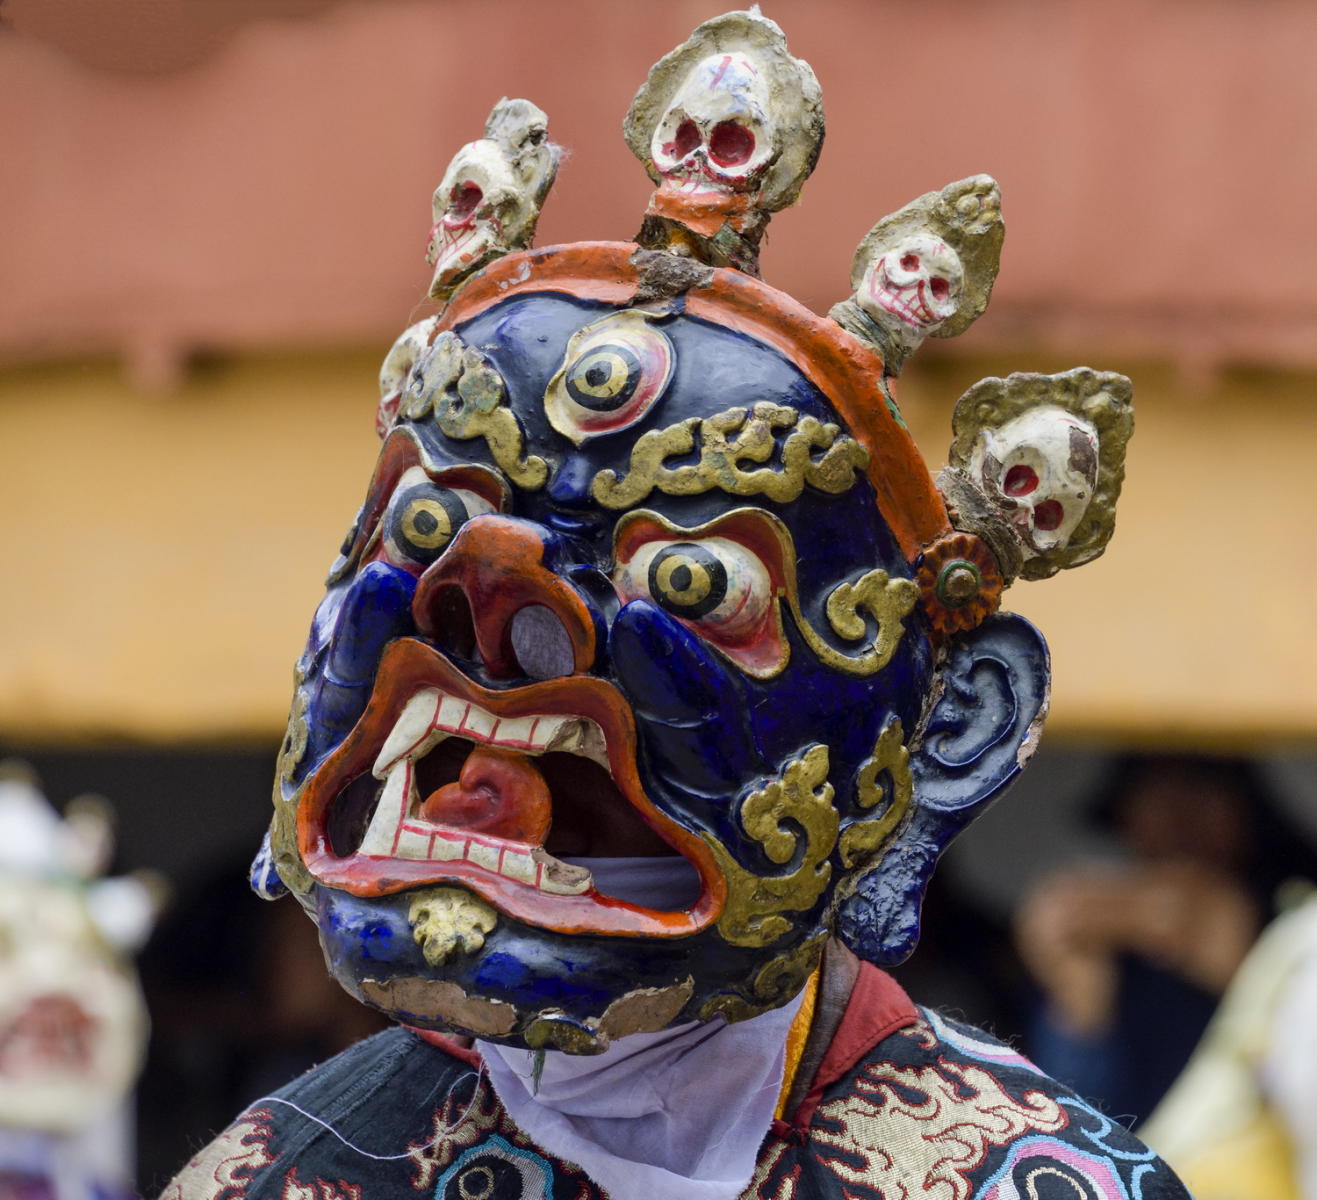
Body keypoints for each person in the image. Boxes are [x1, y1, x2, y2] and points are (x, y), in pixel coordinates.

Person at [161, 11, 1189, 1198]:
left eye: (695, 578)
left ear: (950, 722)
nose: (493, 601)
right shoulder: (284, 1177)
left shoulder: (1033, 1183)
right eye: (425, 525)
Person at [1015, 753, 1317, 1125]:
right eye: (1155, 788)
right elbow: (1079, 1129)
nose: (1181, 812)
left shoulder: (1296, 914)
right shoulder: (1102, 937)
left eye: (1204, 783)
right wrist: (1080, 1005)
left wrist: (1246, 976)